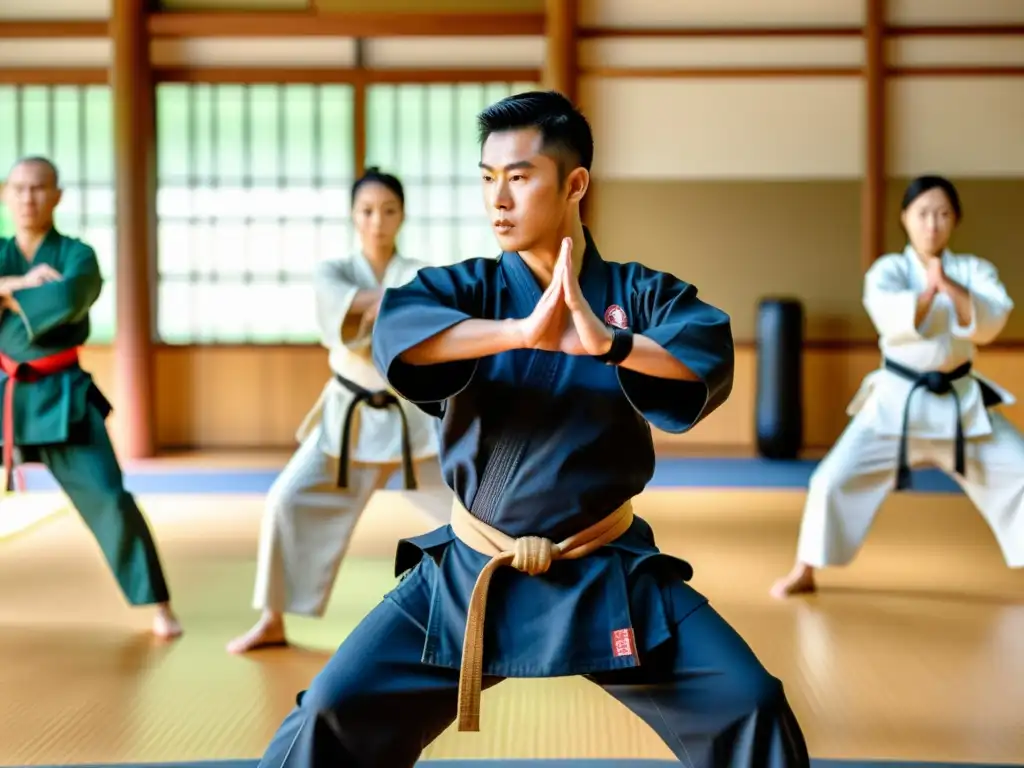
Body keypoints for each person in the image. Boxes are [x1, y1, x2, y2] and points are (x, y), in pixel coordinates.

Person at [255, 92, 809, 767]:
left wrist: (611, 344)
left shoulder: (636, 293)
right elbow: (400, 328)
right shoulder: (471, 289)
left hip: (606, 570)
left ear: (574, 183)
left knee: (751, 704)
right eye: (487, 180)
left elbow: (704, 348)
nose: (499, 200)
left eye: (519, 177)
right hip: (470, 570)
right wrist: (518, 333)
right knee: (329, 712)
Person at [228, 168, 449, 654]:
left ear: (402, 215)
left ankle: (492, 606)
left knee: (470, 508)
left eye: (389, 210)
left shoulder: (416, 269)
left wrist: (379, 305)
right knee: (287, 499)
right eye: (368, 211)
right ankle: (272, 619)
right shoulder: (334, 271)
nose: (378, 221)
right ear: (354, 216)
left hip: (411, 417)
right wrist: (392, 303)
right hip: (347, 418)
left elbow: (425, 313)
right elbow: (349, 314)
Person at [771, 175, 1022, 599]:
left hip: (962, 406)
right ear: (905, 217)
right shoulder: (888, 270)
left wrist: (950, 285)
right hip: (896, 404)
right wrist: (929, 289)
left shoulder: (974, 270)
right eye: (923, 213)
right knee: (831, 479)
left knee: (1020, 470)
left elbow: (990, 324)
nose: (933, 224)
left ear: (955, 220)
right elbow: (893, 319)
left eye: (943, 214)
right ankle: (805, 569)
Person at [0, 156, 181, 639]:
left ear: (57, 195)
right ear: (4, 194)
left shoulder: (78, 256)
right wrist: (19, 284)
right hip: (5, 395)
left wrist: (3, 296)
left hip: (65, 397)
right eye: (18, 188)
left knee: (110, 497)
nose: (28, 197)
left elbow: (70, 298)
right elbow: (37, 295)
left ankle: (158, 603)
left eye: (39, 188)